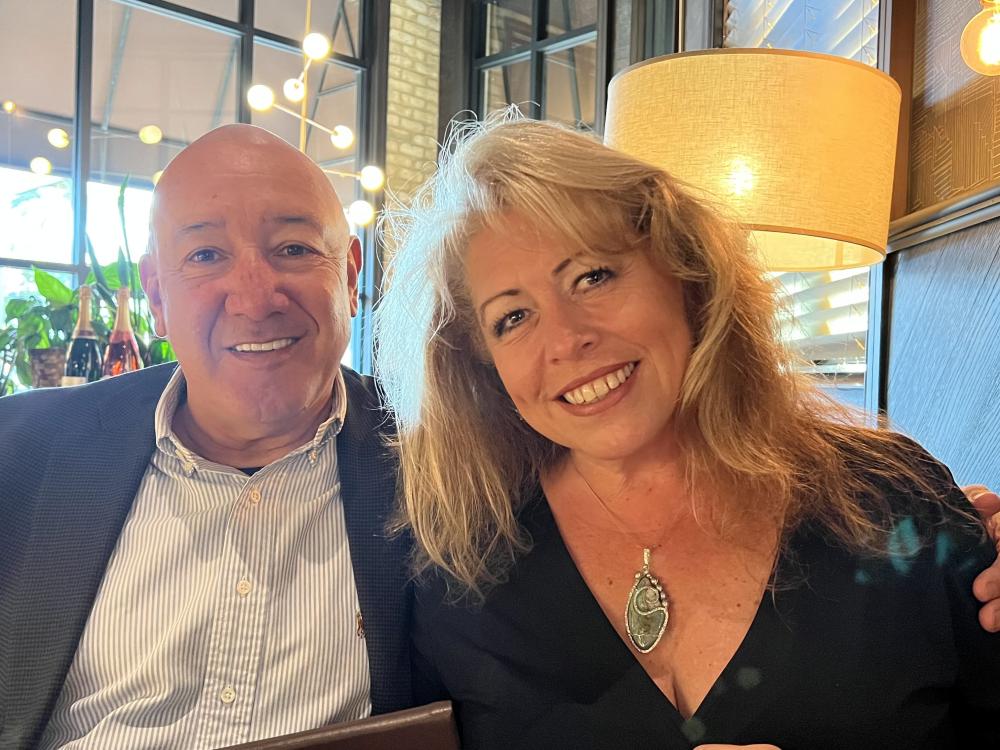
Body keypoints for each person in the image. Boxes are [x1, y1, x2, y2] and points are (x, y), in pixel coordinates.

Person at [375, 115, 1000, 749]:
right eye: (512, 317)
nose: (566, 339)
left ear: (686, 276)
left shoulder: (891, 501)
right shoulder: (460, 568)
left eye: (592, 276)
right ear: (480, 363)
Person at [0, 125, 411, 749]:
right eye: (206, 255)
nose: (254, 298)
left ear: (350, 275)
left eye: (295, 249)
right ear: (157, 295)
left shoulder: (435, 464)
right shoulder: (22, 455)